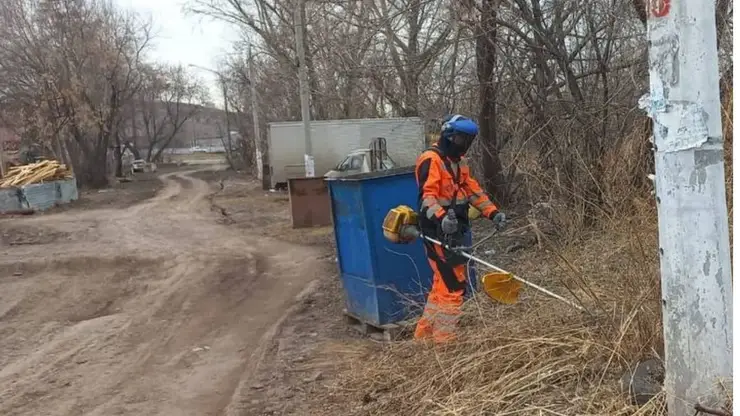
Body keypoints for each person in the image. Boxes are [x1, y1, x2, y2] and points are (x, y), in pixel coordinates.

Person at [414, 114, 506, 343]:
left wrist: (493, 213)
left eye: (468, 140)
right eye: (460, 139)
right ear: (448, 135)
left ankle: (423, 338)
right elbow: (427, 197)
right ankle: (445, 344)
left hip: (456, 231)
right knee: (454, 286)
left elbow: (473, 191)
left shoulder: (459, 162)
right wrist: (442, 218)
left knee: (441, 285)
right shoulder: (431, 160)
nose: (463, 144)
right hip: (438, 233)